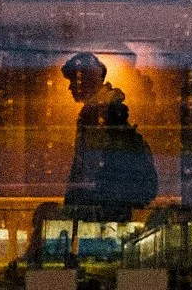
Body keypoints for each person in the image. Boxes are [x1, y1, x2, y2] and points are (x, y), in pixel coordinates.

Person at [60, 52, 157, 216]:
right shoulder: (101, 112)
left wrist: (75, 204)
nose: (70, 87)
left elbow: (88, 168)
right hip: (106, 208)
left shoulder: (101, 115)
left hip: (102, 210)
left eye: (73, 80)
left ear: (88, 80)